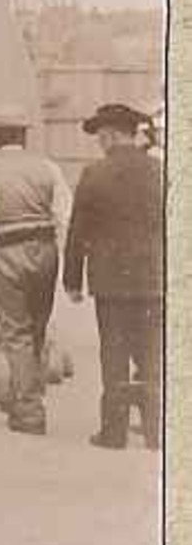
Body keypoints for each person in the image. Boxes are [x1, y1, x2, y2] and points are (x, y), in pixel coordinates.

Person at [64, 102, 164, 451]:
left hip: (110, 282)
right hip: (155, 278)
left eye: (99, 137)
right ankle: (156, 430)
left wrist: (72, 280)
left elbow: (78, 231)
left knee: (114, 352)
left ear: (108, 135)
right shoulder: (159, 171)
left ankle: (114, 432)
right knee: (152, 352)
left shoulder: (94, 174)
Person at [0, 103, 72, 436]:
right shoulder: (49, 169)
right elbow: (65, 216)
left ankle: (28, 412)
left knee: (16, 332)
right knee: (37, 328)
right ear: (24, 135)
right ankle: (26, 394)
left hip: (7, 251)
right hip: (45, 251)